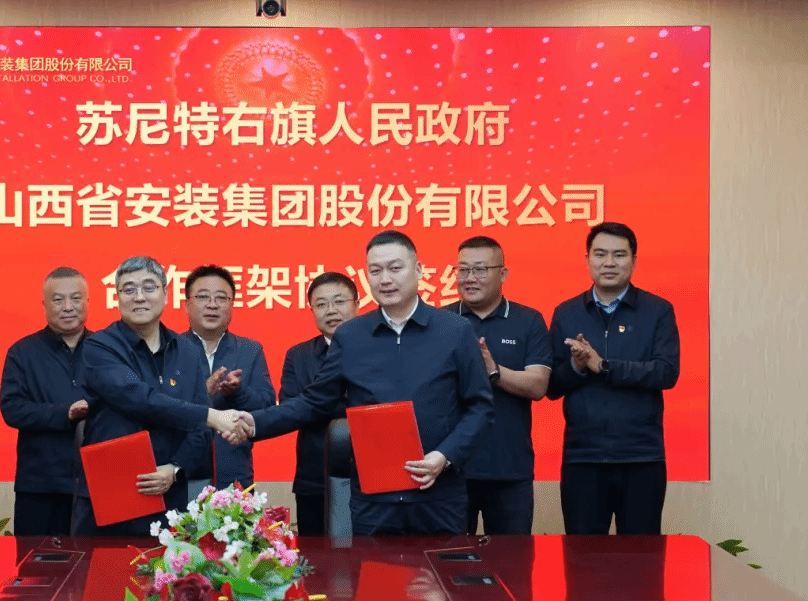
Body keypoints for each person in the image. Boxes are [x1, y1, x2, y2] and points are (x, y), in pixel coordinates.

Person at [239, 231, 494, 536]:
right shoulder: (351, 336)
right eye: (375, 271)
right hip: (374, 501)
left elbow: (480, 407)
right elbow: (315, 401)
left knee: (440, 568)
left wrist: (445, 455)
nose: (385, 279)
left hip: (439, 495)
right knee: (373, 568)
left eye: (395, 268)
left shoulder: (455, 330)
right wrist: (253, 422)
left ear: (418, 270)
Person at [72, 256, 248, 536]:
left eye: (149, 287)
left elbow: (199, 431)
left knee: (169, 563)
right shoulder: (100, 347)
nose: (139, 297)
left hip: (170, 495)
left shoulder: (188, 351)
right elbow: (139, 398)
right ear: (117, 297)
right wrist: (211, 415)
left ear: (165, 294)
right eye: (129, 289)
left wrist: (174, 468)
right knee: (106, 564)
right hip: (112, 493)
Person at [547, 222, 680, 535]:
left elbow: (666, 372)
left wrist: (604, 366)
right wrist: (578, 366)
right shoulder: (566, 312)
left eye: (619, 255)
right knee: (582, 557)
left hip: (641, 457)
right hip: (583, 458)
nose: (609, 262)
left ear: (633, 260)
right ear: (587, 259)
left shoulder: (658, 311)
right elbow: (551, 386)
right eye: (600, 254)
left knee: (641, 558)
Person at [444, 236, 551, 535]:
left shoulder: (528, 320)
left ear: (503, 274)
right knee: (447, 557)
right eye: (463, 270)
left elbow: (538, 385)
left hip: (509, 469)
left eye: (480, 269)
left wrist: (493, 371)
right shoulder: (440, 321)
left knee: (512, 560)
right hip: (451, 469)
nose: (470, 278)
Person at [0, 267, 91, 537]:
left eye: (75, 298)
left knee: (97, 561)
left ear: (87, 302)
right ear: (44, 305)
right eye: (58, 300)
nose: (68, 307)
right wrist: (65, 413)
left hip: (95, 485)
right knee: (36, 562)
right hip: (40, 485)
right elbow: (12, 409)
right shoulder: (22, 352)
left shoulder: (107, 349)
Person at [279, 271, 360, 536]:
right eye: (322, 304)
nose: (331, 310)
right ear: (312, 310)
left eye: (339, 301)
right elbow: (291, 407)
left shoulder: (377, 350)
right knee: (313, 554)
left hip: (367, 475)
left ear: (356, 304)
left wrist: (314, 403)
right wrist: (344, 403)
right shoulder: (298, 355)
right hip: (313, 475)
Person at [182, 265, 276, 489]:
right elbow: (160, 408)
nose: (212, 304)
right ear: (187, 305)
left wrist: (239, 392)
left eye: (221, 298)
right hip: (181, 474)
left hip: (234, 474)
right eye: (203, 297)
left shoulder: (250, 350)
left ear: (232, 304)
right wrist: (204, 393)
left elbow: (268, 407)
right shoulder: (170, 349)